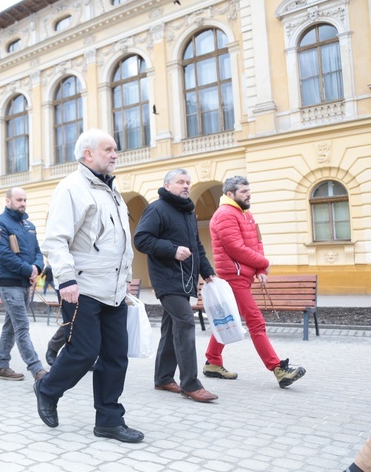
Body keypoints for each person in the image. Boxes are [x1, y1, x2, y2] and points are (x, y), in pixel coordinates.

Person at [36, 129, 143, 443]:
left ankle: (109, 420)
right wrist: (66, 279)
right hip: (81, 286)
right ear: (88, 154)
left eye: (115, 149)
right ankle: (47, 389)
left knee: (116, 356)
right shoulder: (71, 188)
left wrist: (124, 283)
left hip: (112, 288)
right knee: (84, 352)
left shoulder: (112, 191)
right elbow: (56, 239)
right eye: (108, 149)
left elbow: (120, 243)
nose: (114, 154)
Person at [204, 176, 306, 388]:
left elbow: (257, 241)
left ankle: (212, 361)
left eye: (249, 190)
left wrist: (260, 267)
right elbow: (235, 248)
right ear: (230, 194)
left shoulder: (245, 213)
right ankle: (278, 369)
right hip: (234, 276)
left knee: (229, 319)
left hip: (244, 275)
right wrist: (265, 262)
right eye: (244, 191)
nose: (249, 194)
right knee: (255, 322)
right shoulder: (224, 215)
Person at [134, 168, 218, 403]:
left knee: (172, 328)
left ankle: (162, 377)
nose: (185, 186)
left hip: (186, 279)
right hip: (166, 279)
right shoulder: (157, 208)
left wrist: (207, 271)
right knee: (185, 323)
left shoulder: (188, 212)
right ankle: (191, 384)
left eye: (188, 182)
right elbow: (141, 239)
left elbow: (197, 245)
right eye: (180, 182)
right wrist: (172, 250)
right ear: (167, 185)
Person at [0, 188, 48, 382]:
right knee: (22, 325)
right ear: (8, 202)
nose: (23, 203)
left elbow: (38, 251)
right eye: (18, 200)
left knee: (11, 326)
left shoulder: (29, 225)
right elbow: (2, 254)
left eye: (24, 199)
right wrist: (28, 269)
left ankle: (1, 366)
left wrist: (37, 267)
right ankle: (37, 369)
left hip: (25, 283)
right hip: (8, 283)